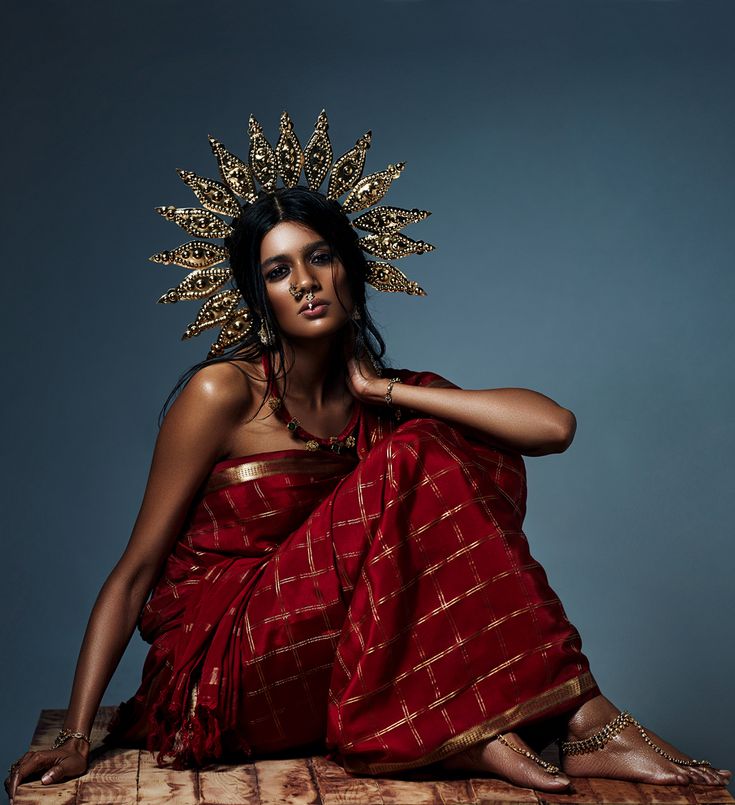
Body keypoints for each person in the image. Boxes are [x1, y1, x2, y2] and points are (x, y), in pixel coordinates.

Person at [5, 112, 730, 802]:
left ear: (350, 270)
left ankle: (466, 726)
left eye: (319, 257)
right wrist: (76, 734)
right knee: (420, 453)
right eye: (279, 271)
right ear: (261, 298)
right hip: (220, 672)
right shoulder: (223, 391)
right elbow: (135, 571)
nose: (306, 282)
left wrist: (382, 387)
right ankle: (584, 719)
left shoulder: (385, 402)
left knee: (459, 449)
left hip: (328, 668)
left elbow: (551, 426)